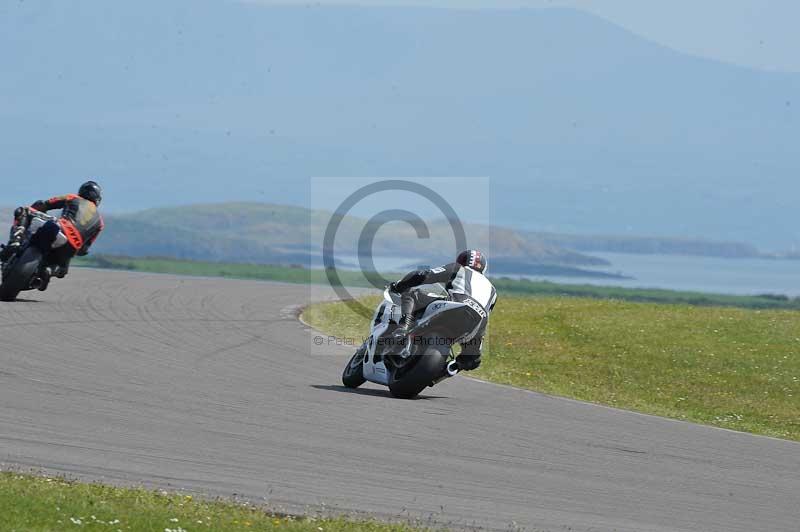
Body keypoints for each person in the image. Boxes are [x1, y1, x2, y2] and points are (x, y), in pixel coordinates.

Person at [389, 249, 497, 371]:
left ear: (461, 261)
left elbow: (423, 275)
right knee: (471, 360)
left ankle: (402, 329)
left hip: (457, 305)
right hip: (477, 322)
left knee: (411, 293)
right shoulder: (493, 291)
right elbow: (486, 313)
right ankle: (449, 369)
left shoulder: (458, 268)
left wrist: (399, 285)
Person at [0, 181, 105, 286]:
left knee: (23, 210)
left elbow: (45, 204)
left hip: (60, 227)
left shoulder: (72, 197)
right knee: (62, 269)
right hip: (72, 245)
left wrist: (35, 211)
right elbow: (84, 249)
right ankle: (49, 270)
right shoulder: (100, 222)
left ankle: (15, 242)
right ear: (98, 199)